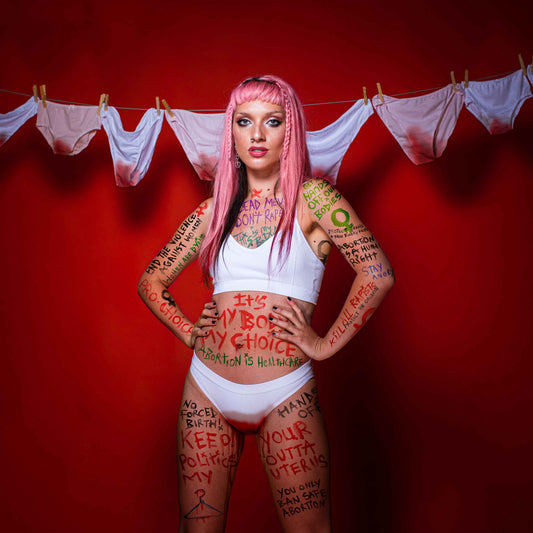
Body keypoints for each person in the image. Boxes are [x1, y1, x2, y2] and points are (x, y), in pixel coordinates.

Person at [138, 75, 394, 533]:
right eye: (244, 121)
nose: (257, 134)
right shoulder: (213, 211)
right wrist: (189, 331)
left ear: (289, 131)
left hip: (286, 394)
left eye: (272, 122)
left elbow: (377, 273)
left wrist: (323, 344)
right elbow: (151, 281)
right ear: (231, 133)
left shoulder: (315, 199)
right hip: (206, 391)